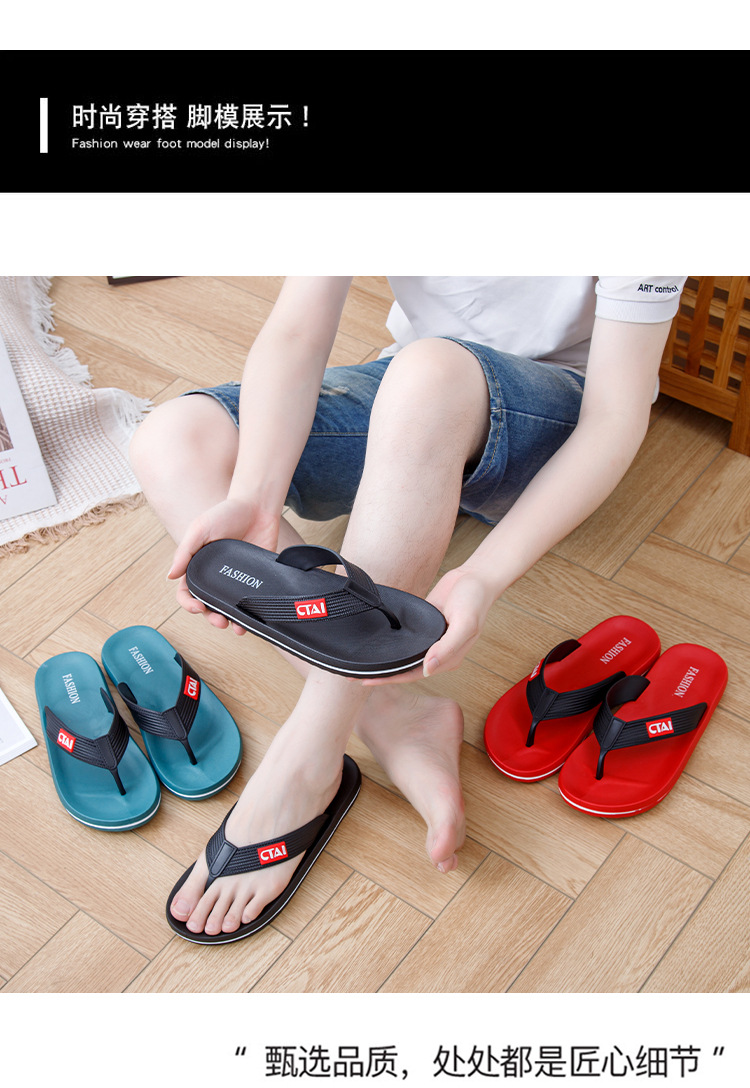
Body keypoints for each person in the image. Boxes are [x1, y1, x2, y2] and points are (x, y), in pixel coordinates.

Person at [129, 275, 685, 938]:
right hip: (406, 404)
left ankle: (305, 761)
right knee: (173, 436)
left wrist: (481, 576)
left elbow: (615, 416)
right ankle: (384, 705)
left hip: (549, 421)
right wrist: (254, 495)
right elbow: (296, 331)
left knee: (431, 372)